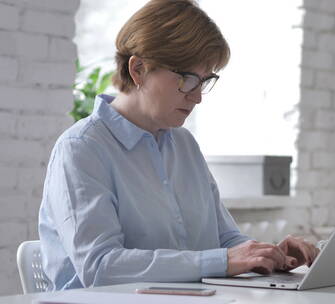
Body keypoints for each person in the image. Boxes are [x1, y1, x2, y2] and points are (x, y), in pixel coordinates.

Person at [38, 0, 319, 291]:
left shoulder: (184, 144)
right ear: (138, 70)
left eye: (204, 81)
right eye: (187, 79)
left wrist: (269, 255)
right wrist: (221, 261)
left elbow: (224, 240)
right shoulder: (81, 149)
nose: (197, 97)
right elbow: (100, 267)